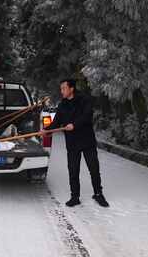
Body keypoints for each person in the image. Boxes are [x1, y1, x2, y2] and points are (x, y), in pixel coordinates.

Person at [42, 79, 109, 208]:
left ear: (71, 88)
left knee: (94, 168)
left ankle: (98, 194)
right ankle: (75, 196)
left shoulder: (84, 100)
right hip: (72, 142)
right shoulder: (62, 104)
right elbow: (56, 122)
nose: (61, 91)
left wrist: (74, 125)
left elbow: (87, 116)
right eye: (61, 89)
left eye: (63, 88)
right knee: (73, 170)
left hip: (86, 140)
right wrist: (46, 130)